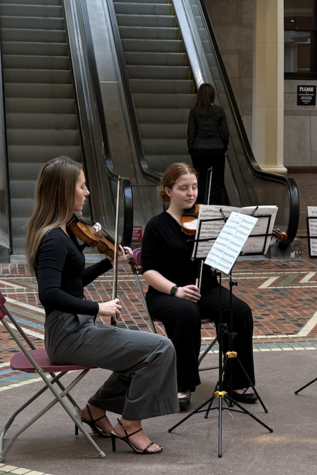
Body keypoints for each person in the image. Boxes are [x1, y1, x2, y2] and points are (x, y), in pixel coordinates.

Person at [26, 157, 178, 454]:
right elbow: (49, 294)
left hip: (74, 328)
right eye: (82, 186)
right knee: (161, 348)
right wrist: (97, 308)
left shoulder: (63, 232)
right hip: (69, 335)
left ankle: (95, 409)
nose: (87, 192)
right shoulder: (54, 239)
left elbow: (73, 281)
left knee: (146, 352)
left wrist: (108, 264)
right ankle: (130, 424)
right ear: (65, 191)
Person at [140, 163, 257, 410]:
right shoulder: (156, 226)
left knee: (240, 311)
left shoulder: (207, 221)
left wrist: (228, 245)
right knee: (186, 312)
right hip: (166, 292)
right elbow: (148, 270)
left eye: (194, 187)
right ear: (168, 191)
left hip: (205, 288)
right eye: (184, 188)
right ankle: (183, 385)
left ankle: (236, 381)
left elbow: (218, 262)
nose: (191, 193)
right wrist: (176, 290)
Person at [188, 83, 229, 205]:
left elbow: (190, 132)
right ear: (212, 95)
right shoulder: (219, 110)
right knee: (217, 181)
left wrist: (191, 148)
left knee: (199, 180)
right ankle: (215, 209)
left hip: (199, 148)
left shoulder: (194, 110)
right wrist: (224, 146)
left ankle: (199, 208)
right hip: (217, 149)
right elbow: (225, 133)